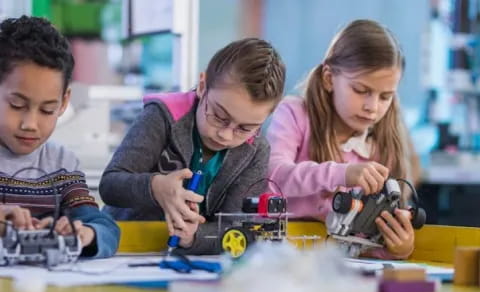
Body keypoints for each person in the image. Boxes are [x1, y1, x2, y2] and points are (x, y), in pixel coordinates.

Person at [100, 38, 286, 255]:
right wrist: (155, 187)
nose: (226, 135)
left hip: (192, 263)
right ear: (202, 86)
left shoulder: (257, 150)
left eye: (244, 128)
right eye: (218, 116)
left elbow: (239, 228)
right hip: (123, 247)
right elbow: (110, 185)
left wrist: (194, 236)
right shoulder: (162, 116)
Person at [266, 19, 417, 259]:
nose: (372, 107)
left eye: (385, 96)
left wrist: (398, 249)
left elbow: (367, 245)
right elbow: (272, 178)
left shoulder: (382, 146)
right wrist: (342, 173)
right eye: (361, 90)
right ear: (329, 78)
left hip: (339, 273)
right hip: (280, 257)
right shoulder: (294, 114)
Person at [0, 16, 119, 258]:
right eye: (16, 104)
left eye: (47, 110)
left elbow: (106, 228)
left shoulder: (61, 165)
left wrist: (84, 233)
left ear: (64, 102)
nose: (30, 124)